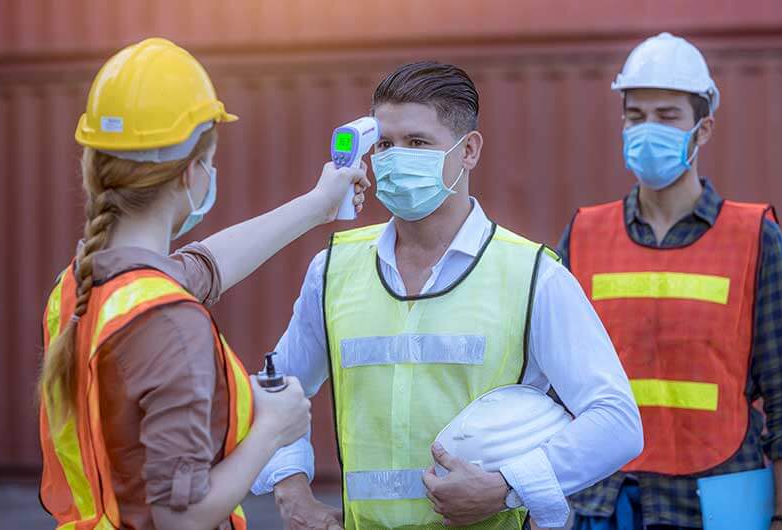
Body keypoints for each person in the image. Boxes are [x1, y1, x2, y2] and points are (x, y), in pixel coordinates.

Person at [249, 61, 644, 529]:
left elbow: (617, 423)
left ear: (469, 150)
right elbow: (276, 390)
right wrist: (291, 491)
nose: (394, 160)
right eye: (385, 145)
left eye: (417, 143)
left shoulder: (533, 274)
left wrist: (507, 488)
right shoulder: (333, 269)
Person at [37, 38, 369, 530]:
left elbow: (204, 266)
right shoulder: (169, 323)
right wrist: (272, 429)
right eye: (210, 160)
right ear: (193, 173)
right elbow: (182, 517)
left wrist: (318, 205)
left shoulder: (83, 284)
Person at [557, 33, 782, 529]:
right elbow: (550, 376)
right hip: (608, 498)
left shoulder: (755, 235)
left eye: (667, 115)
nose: (647, 129)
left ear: (704, 129)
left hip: (723, 495)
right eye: (635, 115)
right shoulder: (584, 233)